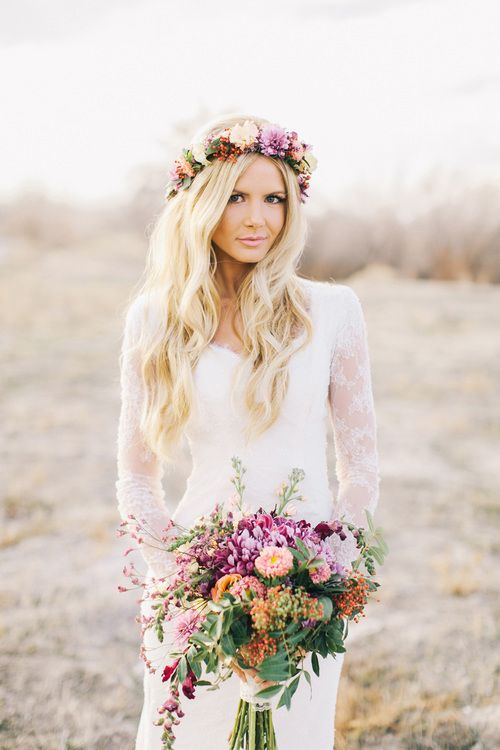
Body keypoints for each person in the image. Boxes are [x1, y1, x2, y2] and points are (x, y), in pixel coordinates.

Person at [116, 113, 380, 749]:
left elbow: (361, 465)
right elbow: (136, 474)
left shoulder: (334, 312)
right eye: (237, 196)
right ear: (203, 203)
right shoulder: (155, 318)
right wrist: (185, 581)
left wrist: (327, 573)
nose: (258, 217)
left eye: (274, 199)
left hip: (306, 596)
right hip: (196, 590)